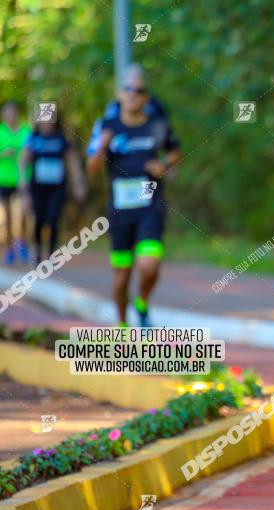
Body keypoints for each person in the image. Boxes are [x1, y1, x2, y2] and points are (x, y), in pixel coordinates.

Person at [87, 64, 181, 328]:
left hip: (150, 201)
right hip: (120, 209)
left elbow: (175, 152)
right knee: (122, 275)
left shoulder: (157, 125)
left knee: (149, 265)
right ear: (120, 94)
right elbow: (91, 169)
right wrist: (101, 149)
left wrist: (164, 165)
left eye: (138, 91)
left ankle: (142, 302)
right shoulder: (106, 126)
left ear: (145, 98)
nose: (132, 94)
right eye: (128, 89)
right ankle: (122, 325)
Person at [17, 112, 87, 265]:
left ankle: (51, 252)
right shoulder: (33, 138)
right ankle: (37, 249)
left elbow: (72, 160)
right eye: (44, 121)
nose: (47, 124)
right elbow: (23, 160)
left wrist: (78, 182)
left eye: (50, 121)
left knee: (53, 218)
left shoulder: (60, 138)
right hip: (37, 187)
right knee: (39, 219)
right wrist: (22, 181)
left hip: (57, 187)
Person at [0, 101, 31, 265]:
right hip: (4, 178)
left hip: (23, 178)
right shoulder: (0, 132)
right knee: (8, 216)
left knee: (25, 212)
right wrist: (4, 153)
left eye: (12, 111)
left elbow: (33, 151)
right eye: (7, 112)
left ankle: (23, 242)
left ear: (17, 113)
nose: (10, 115)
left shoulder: (26, 131)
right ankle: (10, 249)